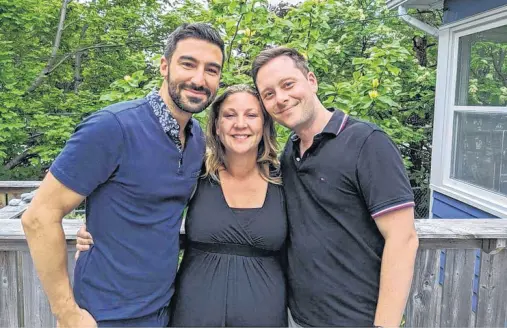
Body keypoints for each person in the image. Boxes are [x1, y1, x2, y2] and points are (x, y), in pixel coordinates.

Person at [21, 23, 224, 327]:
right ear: (164, 66)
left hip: (165, 309)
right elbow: (38, 217)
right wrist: (67, 314)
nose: (199, 79)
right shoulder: (112, 127)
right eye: (188, 64)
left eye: (212, 69)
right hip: (104, 316)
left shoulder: (197, 142)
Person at [77, 85, 288, 327]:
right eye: (229, 115)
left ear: (265, 125)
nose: (240, 124)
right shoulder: (194, 172)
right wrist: (98, 228)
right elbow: (147, 206)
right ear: (217, 127)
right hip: (193, 311)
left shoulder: (285, 180)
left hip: (264, 312)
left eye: (251, 115)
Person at [252, 47, 419, 327]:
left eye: (288, 84)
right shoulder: (289, 155)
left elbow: (403, 239)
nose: (281, 98)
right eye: (269, 94)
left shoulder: (367, 142)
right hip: (298, 318)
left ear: (312, 80)